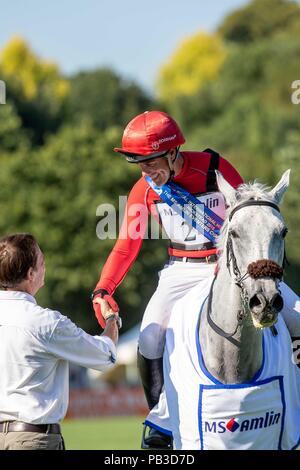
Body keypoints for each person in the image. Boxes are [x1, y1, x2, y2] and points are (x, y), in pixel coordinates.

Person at [91, 110, 243, 448]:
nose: (146, 171)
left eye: (150, 162)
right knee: (148, 337)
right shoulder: (143, 190)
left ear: (173, 151)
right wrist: (104, 288)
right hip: (181, 270)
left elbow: (249, 214)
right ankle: (163, 420)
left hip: (227, 263)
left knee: (294, 313)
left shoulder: (215, 168)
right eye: (140, 164)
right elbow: (125, 247)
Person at [0, 233, 120, 451]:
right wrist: (112, 318)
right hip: (32, 439)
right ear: (30, 274)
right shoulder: (45, 322)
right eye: (42, 263)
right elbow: (105, 356)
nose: (45, 268)